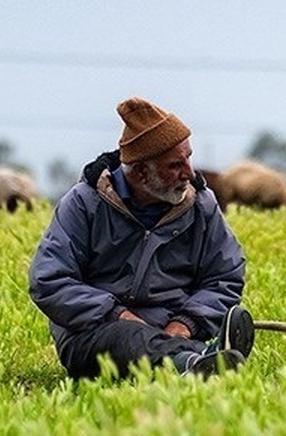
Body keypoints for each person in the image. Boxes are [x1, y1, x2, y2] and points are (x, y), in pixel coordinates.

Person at [29, 97, 254, 379]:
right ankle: (195, 363)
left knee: (171, 345)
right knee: (125, 338)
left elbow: (224, 276)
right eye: (175, 165)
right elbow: (49, 280)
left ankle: (193, 361)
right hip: (96, 336)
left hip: (175, 332)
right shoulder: (84, 204)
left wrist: (185, 323)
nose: (189, 172)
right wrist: (117, 315)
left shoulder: (201, 207)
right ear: (140, 173)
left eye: (188, 157)